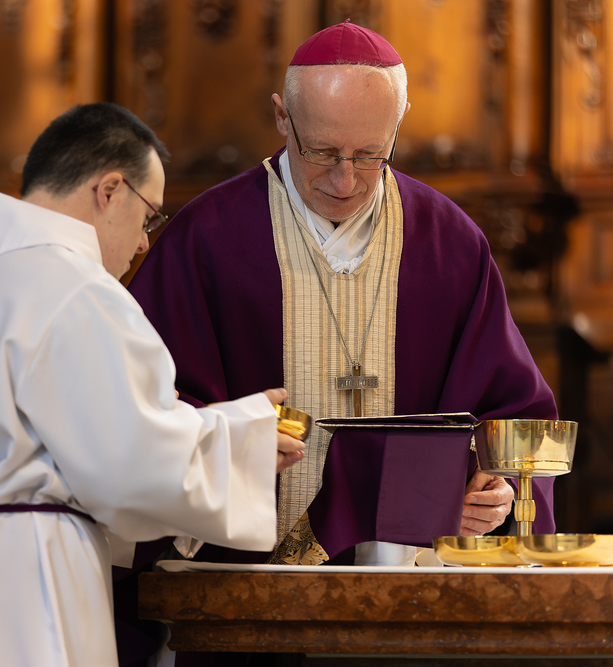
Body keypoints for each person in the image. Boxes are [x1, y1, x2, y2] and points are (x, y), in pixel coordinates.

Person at [0, 102, 304, 667]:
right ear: (109, 190)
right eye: (149, 217)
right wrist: (242, 439)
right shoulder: (76, 289)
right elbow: (130, 466)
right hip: (11, 592)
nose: (144, 243)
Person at [128, 20, 558, 570]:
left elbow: (514, 417)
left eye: (371, 154)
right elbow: (145, 406)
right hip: (241, 576)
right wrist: (229, 441)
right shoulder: (208, 238)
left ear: (399, 124)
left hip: (407, 582)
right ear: (283, 117)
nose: (345, 180)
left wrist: (497, 488)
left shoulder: (448, 243)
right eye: (323, 152)